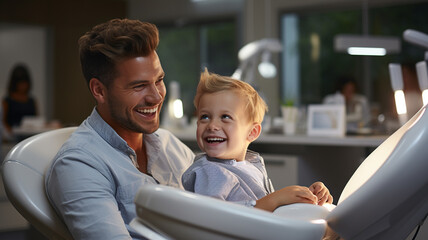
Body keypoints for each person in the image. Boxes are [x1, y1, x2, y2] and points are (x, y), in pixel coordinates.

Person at [45, 19, 195, 239]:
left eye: (159, 80)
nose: (156, 96)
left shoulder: (169, 144)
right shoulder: (79, 164)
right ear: (99, 90)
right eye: (139, 86)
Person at [182, 69, 333, 212]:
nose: (212, 125)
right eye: (204, 117)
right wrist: (274, 200)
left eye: (225, 117)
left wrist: (306, 197)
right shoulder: (211, 171)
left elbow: (266, 207)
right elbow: (212, 218)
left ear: (252, 132)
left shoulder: (250, 165)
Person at [2, 63, 38, 134]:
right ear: (14, 83)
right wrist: (10, 133)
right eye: (20, 83)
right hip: (12, 137)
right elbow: (3, 122)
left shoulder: (32, 101)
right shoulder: (7, 101)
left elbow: (37, 121)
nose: (23, 86)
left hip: (30, 136)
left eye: (24, 83)